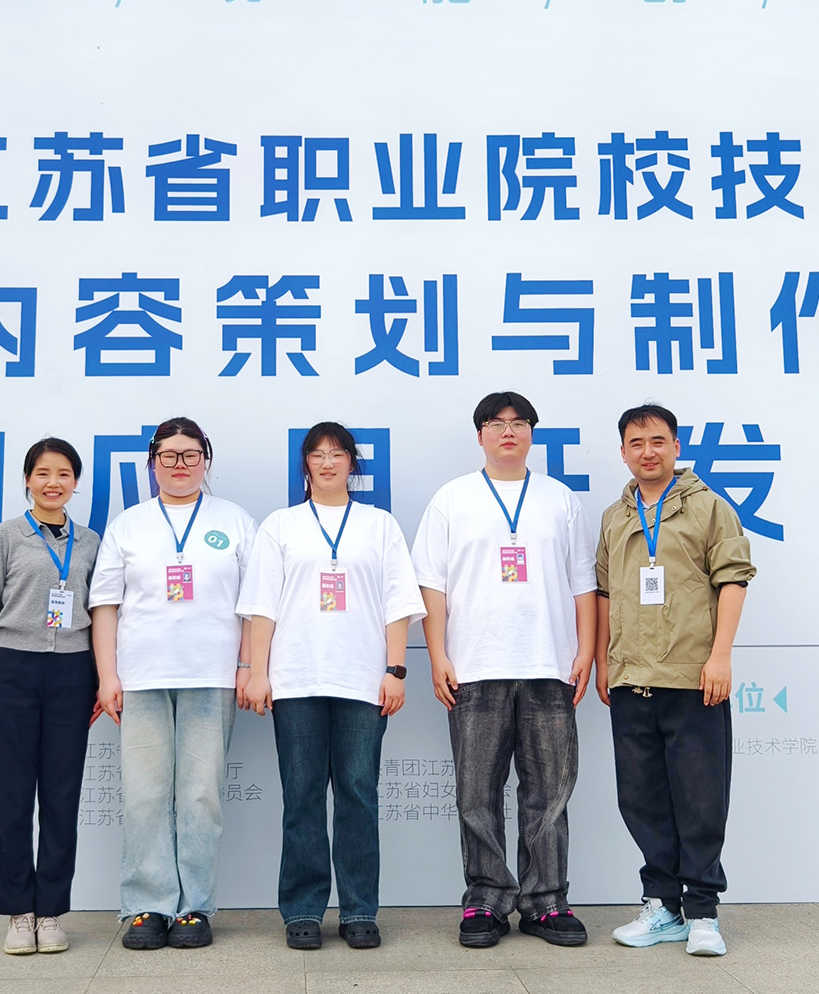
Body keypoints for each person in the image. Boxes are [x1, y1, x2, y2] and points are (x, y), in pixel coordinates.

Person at [411, 392, 598, 948]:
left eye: (519, 423)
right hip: (474, 665)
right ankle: (487, 900)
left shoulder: (560, 499)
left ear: (532, 433)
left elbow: (583, 582)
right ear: (481, 435)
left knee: (549, 793)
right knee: (477, 794)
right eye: (496, 424)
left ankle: (546, 901)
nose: (508, 432)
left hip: (549, 664)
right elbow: (431, 584)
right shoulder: (452, 499)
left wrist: (587, 651)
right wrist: (438, 655)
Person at [238, 423, 424, 952]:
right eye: (317, 455)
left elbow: (398, 602)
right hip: (295, 679)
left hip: (362, 680)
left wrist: (395, 670)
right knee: (301, 796)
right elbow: (262, 606)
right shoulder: (281, 525)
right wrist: (256, 671)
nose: (327, 462)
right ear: (305, 465)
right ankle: (302, 910)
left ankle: (359, 909)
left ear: (352, 465)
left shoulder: (379, 525)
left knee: (358, 795)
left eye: (337, 454)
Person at [88, 418, 257, 950]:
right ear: (152, 463)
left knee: (201, 794)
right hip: (142, 677)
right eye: (168, 455)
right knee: (145, 793)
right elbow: (105, 605)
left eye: (190, 455)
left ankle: (194, 907)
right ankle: (148, 904)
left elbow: (254, 605)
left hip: (211, 676)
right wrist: (108, 675)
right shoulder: (129, 525)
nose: (179, 465)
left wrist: (248, 666)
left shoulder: (234, 520)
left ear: (206, 460)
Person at [594, 404, 754, 957]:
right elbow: (603, 592)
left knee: (700, 798)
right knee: (641, 799)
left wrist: (720, 657)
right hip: (631, 678)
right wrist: (604, 663)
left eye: (658, 441)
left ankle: (703, 913)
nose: (648, 452)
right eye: (636, 443)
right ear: (623, 452)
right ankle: (663, 907)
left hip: (693, 678)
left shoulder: (710, 508)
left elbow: (733, 581)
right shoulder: (615, 517)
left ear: (676, 446)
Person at [0, 438, 102, 956]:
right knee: (13, 796)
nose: (52, 482)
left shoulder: (90, 542)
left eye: (63, 474)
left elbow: (103, 613)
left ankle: (51, 912)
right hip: (12, 671)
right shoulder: (6, 536)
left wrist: (101, 678)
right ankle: (19, 912)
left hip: (73, 672)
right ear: (27, 480)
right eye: (42, 473)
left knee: (62, 796)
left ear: (75, 482)